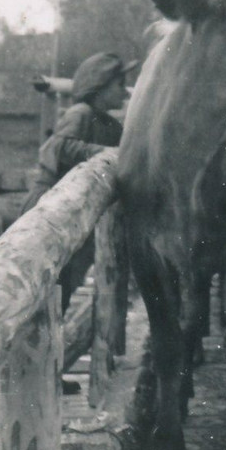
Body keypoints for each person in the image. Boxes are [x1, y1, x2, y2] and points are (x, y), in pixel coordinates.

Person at [20, 52, 135, 314]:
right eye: (119, 85)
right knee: (42, 285)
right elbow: (60, 147)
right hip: (48, 204)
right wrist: (102, 153)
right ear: (99, 87)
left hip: (76, 212)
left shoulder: (110, 124)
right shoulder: (80, 113)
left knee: (66, 286)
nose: (126, 93)